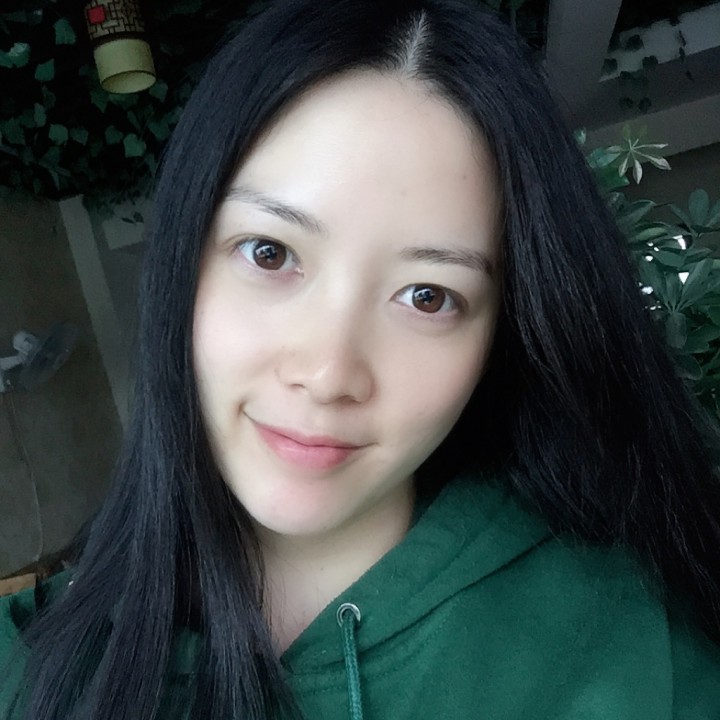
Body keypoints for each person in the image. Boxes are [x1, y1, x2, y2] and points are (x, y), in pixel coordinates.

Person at [2, 0, 720, 718]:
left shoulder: (632, 656)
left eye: (428, 297)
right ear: (182, 264)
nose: (329, 375)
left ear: (498, 339)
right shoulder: (24, 668)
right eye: (269, 253)